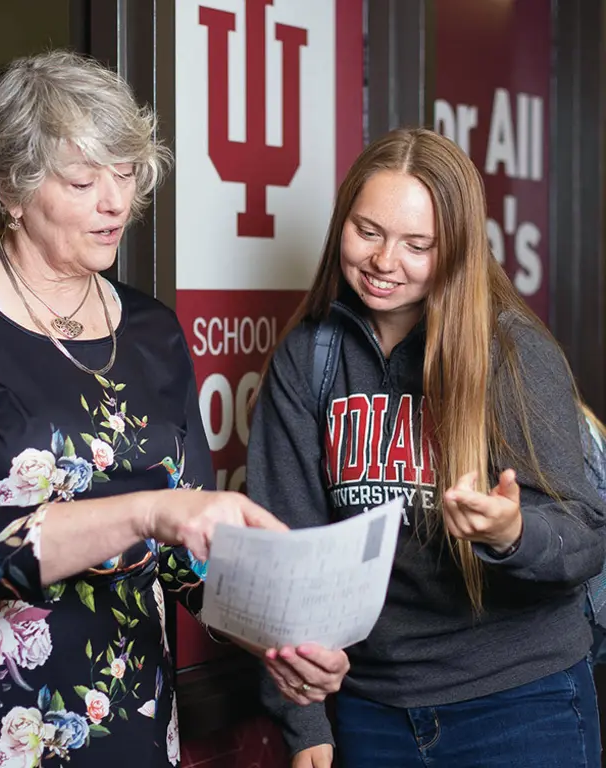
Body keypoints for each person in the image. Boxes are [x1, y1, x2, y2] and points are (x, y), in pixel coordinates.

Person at [0, 50, 288, 767]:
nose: (116, 203)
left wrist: (280, 637)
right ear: (11, 192)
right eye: (83, 181)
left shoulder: (152, 330)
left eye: (127, 175)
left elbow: (186, 552)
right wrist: (147, 511)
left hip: (119, 707)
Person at [247, 127, 606, 767]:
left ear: (459, 250)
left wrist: (512, 532)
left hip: (521, 703)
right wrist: (305, 725)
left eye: (419, 245)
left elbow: (584, 536)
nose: (386, 261)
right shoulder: (310, 358)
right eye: (368, 231)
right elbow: (287, 554)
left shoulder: (513, 354)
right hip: (370, 708)